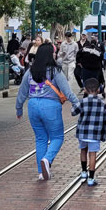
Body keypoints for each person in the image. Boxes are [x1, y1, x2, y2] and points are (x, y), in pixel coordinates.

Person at [15, 42, 77, 180]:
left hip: (32, 106)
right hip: (50, 106)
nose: (55, 54)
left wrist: (19, 109)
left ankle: (41, 172)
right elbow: (67, 91)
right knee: (57, 137)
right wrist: (76, 103)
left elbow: (22, 92)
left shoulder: (30, 71)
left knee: (41, 138)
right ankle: (47, 160)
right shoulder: (55, 71)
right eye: (54, 52)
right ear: (50, 54)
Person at [75, 76, 106, 186]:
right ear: (99, 89)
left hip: (83, 132)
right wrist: (103, 135)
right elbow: (105, 121)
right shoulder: (103, 104)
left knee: (83, 150)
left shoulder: (82, 102)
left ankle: (84, 172)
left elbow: (73, 112)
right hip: (95, 134)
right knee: (92, 154)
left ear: (85, 89)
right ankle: (91, 178)